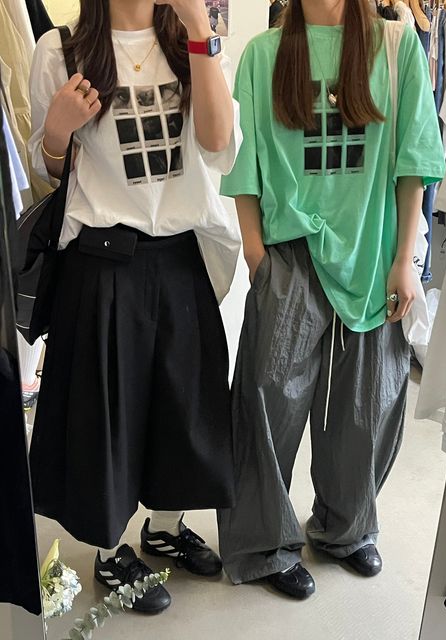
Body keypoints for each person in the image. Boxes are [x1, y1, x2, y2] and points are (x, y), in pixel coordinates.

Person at [218, 0, 445, 599]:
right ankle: (264, 544)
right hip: (289, 253)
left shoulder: (396, 46)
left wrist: (405, 259)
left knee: (366, 404)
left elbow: (413, 163)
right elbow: (245, 165)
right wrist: (257, 256)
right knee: (268, 401)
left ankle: (346, 528)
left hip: (373, 252)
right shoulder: (264, 54)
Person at [28, 0, 242, 614]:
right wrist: (57, 132)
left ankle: (166, 528)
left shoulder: (191, 43)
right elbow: (46, 171)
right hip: (102, 260)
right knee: (109, 415)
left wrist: (199, 29)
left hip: (180, 253)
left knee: (185, 404)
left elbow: (219, 145)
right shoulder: (61, 50)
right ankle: (108, 550)